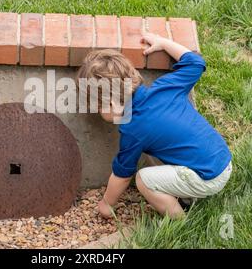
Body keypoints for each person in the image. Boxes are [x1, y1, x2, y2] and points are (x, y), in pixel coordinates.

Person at [76, 34, 232, 219]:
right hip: (222, 159)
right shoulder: (165, 86)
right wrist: (164, 43)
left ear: (110, 103)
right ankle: (187, 195)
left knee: (144, 180)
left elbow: (123, 175)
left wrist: (106, 205)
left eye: (97, 107)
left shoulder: (133, 129)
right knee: (163, 153)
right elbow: (196, 63)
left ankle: (180, 222)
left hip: (208, 176)